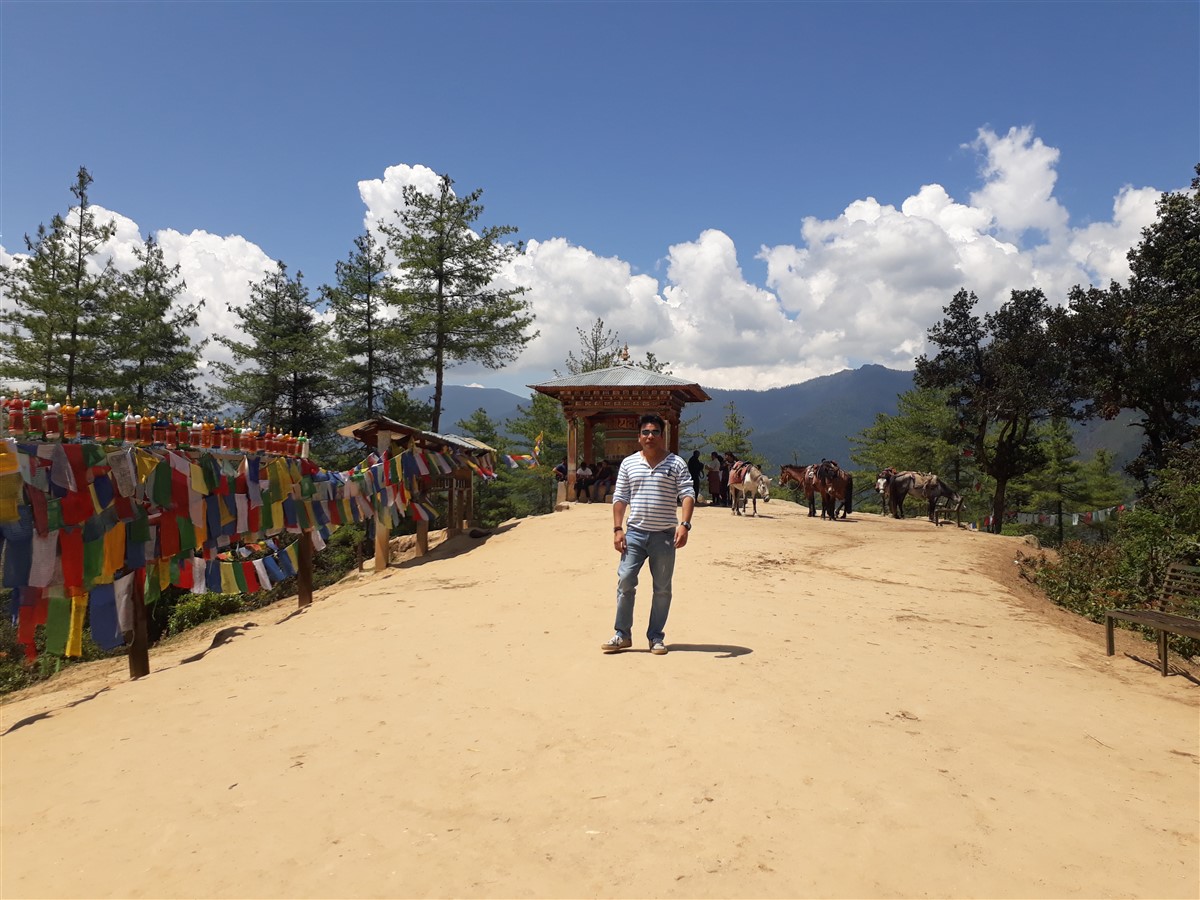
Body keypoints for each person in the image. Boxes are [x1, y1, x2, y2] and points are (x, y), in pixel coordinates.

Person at [601, 413, 695, 656]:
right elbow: (620, 497)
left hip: (664, 536)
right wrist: (617, 528)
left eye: (654, 432)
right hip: (634, 534)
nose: (650, 436)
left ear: (662, 436)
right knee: (625, 581)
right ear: (639, 436)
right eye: (645, 432)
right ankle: (622, 634)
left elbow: (687, 494)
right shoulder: (629, 464)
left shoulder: (676, 463)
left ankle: (656, 636)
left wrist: (684, 524)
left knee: (662, 588)